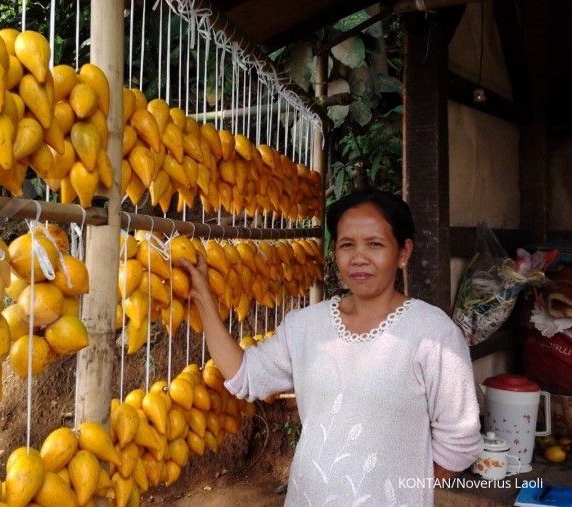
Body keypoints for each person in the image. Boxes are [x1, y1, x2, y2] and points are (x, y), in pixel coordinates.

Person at [180, 189, 483, 506]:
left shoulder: (432, 334)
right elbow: (245, 374)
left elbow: (459, 439)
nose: (359, 258)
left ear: (403, 252)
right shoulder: (307, 327)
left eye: (375, 244)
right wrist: (203, 299)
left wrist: (399, 489)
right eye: (346, 245)